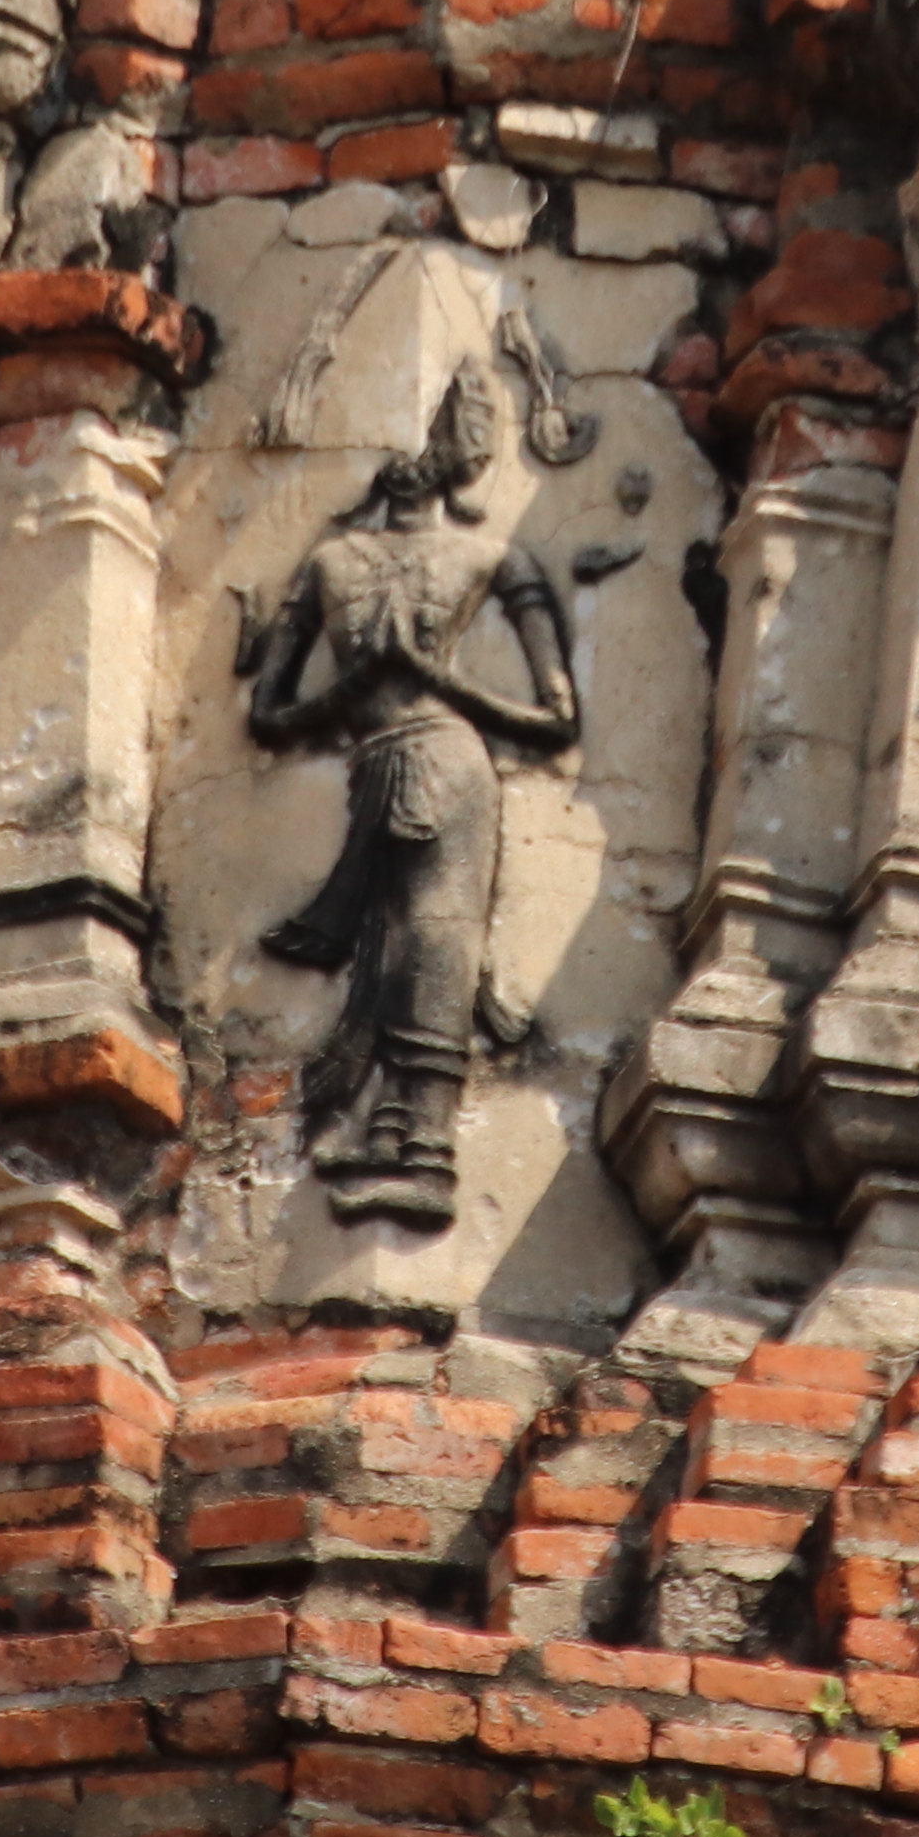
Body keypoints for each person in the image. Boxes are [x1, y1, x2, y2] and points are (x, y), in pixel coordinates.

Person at [243, 374, 581, 1226]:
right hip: (374, 764)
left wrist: (436, 676)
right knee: (386, 958)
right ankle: (387, 1139)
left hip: (451, 761)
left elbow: (555, 715)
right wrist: (353, 687)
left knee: (435, 949)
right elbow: (268, 712)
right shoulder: (331, 561)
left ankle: (425, 1157)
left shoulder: (490, 557)